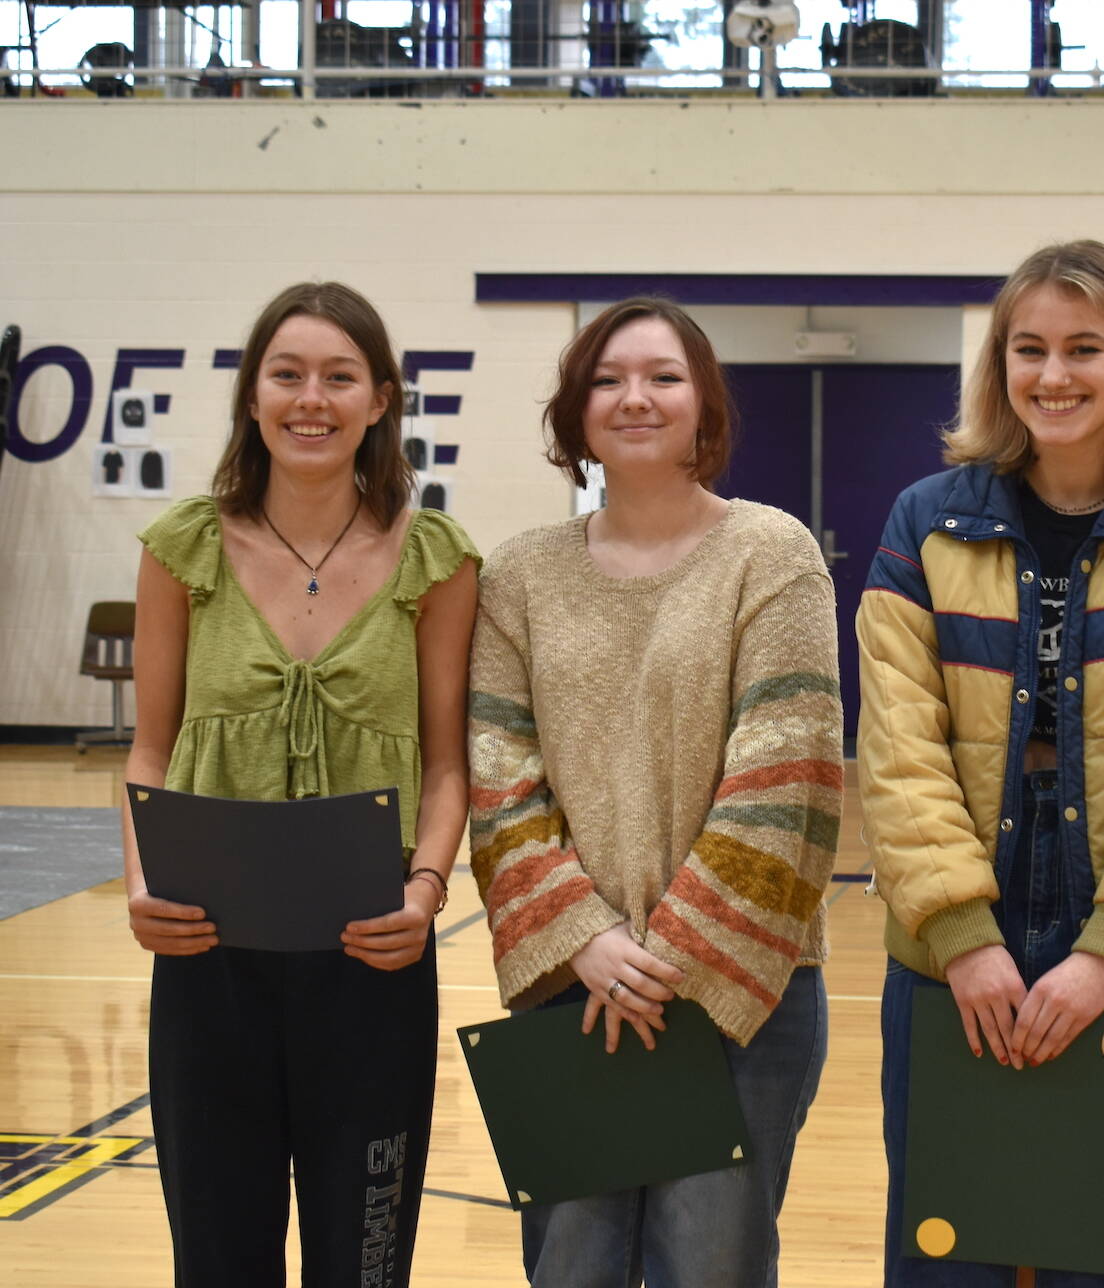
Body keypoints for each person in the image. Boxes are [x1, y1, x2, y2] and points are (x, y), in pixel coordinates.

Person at [858, 240, 1104, 1286]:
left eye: (1086, 347)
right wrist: (959, 932)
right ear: (1000, 366)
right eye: (1029, 349)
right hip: (959, 959)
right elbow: (899, 746)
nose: (1055, 375)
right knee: (952, 1256)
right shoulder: (924, 521)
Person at [467, 297, 841, 1288]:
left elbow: (787, 765)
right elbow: (499, 775)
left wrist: (666, 959)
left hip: (735, 998)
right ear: (575, 409)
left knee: (712, 1271)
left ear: (704, 402)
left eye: (663, 377)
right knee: (569, 1269)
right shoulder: (517, 576)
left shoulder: (773, 552)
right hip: (570, 988)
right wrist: (587, 939)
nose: (635, 397)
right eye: (608, 378)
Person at [122, 281, 480, 1285]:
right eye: (286, 374)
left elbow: (448, 763)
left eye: (338, 376)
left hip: (372, 963)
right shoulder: (183, 549)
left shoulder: (437, 559)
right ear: (252, 395)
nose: (310, 399)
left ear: (381, 400)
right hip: (208, 957)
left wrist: (425, 895)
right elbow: (149, 751)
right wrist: (141, 883)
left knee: (362, 1262)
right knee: (219, 1258)